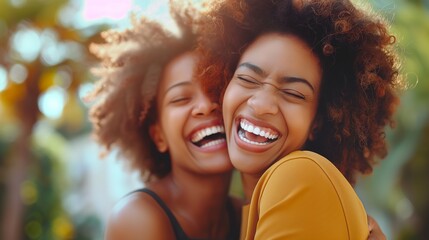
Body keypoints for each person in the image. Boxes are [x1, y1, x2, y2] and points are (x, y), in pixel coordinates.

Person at [197, 0, 402, 239]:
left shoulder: (299, 177)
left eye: (293, 93)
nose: (261, 104)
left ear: (318, 122)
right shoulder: (251, 210)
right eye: (247, 79)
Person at [87, 5, 240, 240]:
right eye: (181, 98)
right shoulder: (137, 218)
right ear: (158, 136)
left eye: (216, 89)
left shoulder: (244, 214)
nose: (206, 105)